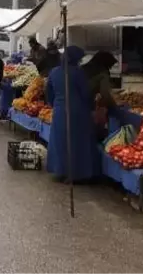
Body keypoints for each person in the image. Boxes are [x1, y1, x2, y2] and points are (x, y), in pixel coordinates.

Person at [46, 46, 96, 182]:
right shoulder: (78, 73)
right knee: (76, 142)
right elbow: (86, 93)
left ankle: (60, 170)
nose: (80, 62)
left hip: (59, 111)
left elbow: (48, 93)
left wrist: (54, 104)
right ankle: (75, 174)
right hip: (77, 111)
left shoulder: (54, 72)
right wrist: (92, 106)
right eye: (79, 59)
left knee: (60, 141)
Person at [82, 51, 120, 140]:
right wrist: (114, 107)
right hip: (87, 106)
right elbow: (105, 94)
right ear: (106, 62)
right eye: (110, 65)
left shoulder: (84, 68)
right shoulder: (103, 73)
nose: (111, 67)